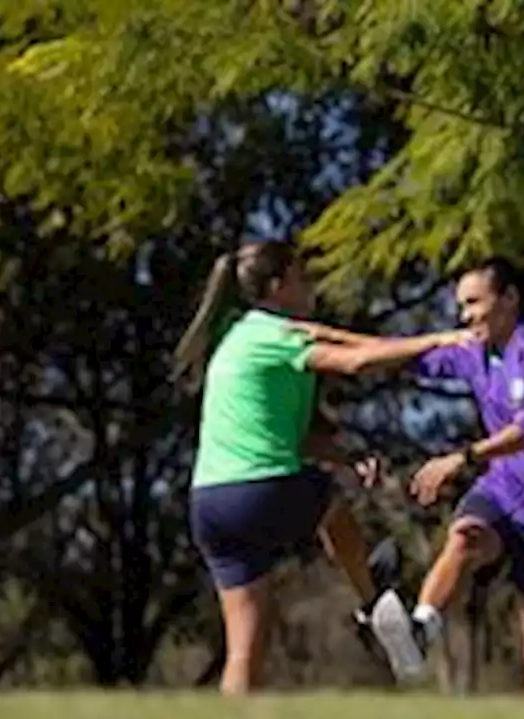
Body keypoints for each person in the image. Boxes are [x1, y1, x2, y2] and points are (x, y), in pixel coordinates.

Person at [173, 241, 473, 695]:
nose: (311, 288)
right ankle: (371, 604)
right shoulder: (275, 335)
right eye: (302, 278)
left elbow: (293, 436)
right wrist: (438, 339)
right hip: (259, 491)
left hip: (209, 503)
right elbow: (355, 360)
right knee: (331, 502)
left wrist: (347, 456)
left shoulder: (236, 336)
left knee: (244, 648)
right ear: (278, 287)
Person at [301, 257, 524, 698]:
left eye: (473, 302)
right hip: (504, 488)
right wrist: (325, 336)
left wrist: (461, 457)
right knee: (464, 537)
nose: (464, 316)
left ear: (510, 299)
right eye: (460, 306)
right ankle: (419, 633)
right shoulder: (473, 353)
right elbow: (396, 352)